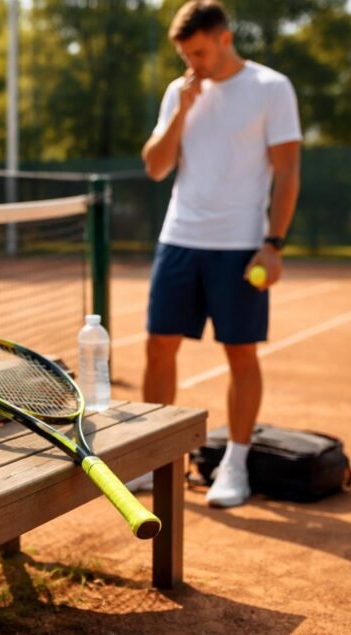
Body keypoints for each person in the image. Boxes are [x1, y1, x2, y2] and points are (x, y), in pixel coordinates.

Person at [131, 0, 301, 507]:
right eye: (185, 54)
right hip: (179, 239)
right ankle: (156, 458)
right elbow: (155, 167)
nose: (193, 63)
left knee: (240, 353)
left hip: (240, 246)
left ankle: (235, 464)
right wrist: (182, 110)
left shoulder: (271, 87)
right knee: (158, 347)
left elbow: (288, 171)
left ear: (225, 38)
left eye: (200, 52)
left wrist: (273, 244)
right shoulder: (178, 91)